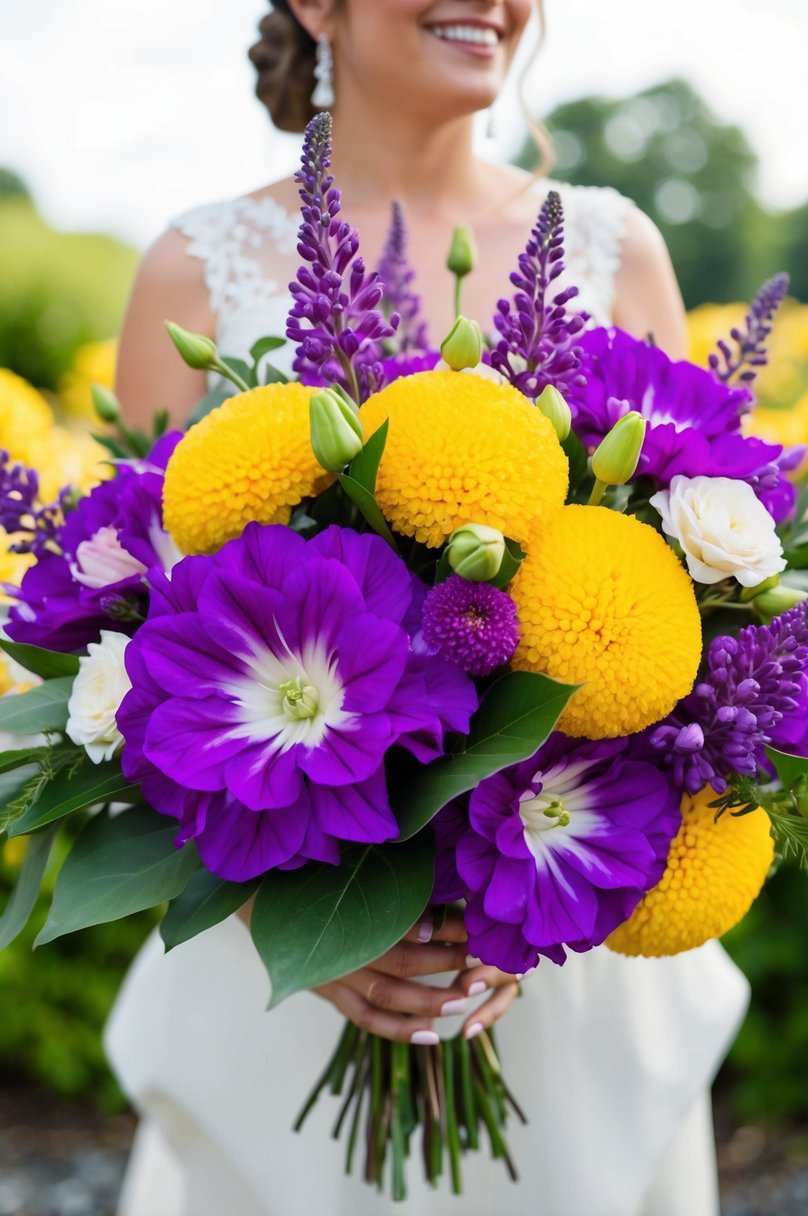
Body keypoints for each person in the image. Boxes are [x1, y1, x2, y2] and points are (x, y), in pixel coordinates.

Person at [107, 3, 749, 1213]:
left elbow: (691, 603)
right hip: (288, 963)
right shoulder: (197, 269)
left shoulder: (616, 252)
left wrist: (537, 898)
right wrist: (295, 918)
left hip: (565, 925)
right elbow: (146, 661)